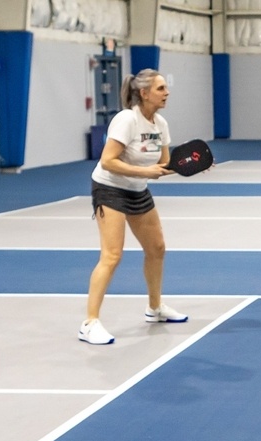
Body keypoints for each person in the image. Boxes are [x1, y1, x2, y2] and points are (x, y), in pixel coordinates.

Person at [81, 68, 187, 345]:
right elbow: (108, 161)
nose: (167, 93)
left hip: (137, 190)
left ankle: (155, 308)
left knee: (157, 248)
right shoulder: (127, 120)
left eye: (166, 88)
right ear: (144, 93)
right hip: (110, 188)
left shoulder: (160, 124)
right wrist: (144, 173)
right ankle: (89, 323)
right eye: (161, 88)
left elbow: (164, 165)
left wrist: (191, 166)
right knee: (112, 255)